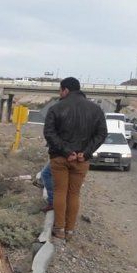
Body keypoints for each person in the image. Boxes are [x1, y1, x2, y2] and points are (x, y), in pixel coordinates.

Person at [43, 77, 106, 240]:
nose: (60, 93)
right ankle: (70, 231)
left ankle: (59, 229)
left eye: (60, 90)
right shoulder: (96, 109)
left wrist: (66, 152)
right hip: (81, 160)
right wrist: (85, 153)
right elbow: (101, 134)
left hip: (60, 158)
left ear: (66, 90)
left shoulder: (56, 108)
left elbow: (49, 133)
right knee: (74, 194)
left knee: (60, 192)